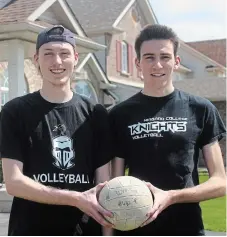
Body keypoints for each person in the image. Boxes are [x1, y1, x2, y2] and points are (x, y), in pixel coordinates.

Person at [109, 24, 226, 236]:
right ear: (138, 63)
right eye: (149, 57)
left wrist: (171, 196)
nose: (157, 65)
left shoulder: (200, 109)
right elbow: (114, 184)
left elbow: (220, 182)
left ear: (176, 62)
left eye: (164, 57)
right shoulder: (120, 114)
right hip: (135, 228)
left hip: (186, 228)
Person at [0, 25, 114, 236]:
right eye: (48, 54)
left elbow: (103, 185)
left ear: (76, 58)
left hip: (84, 230)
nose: (57, 61)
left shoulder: (95, 113)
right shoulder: (14, 112)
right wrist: (75, 198)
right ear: (36, 59)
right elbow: (13, 183)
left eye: (64, 53)